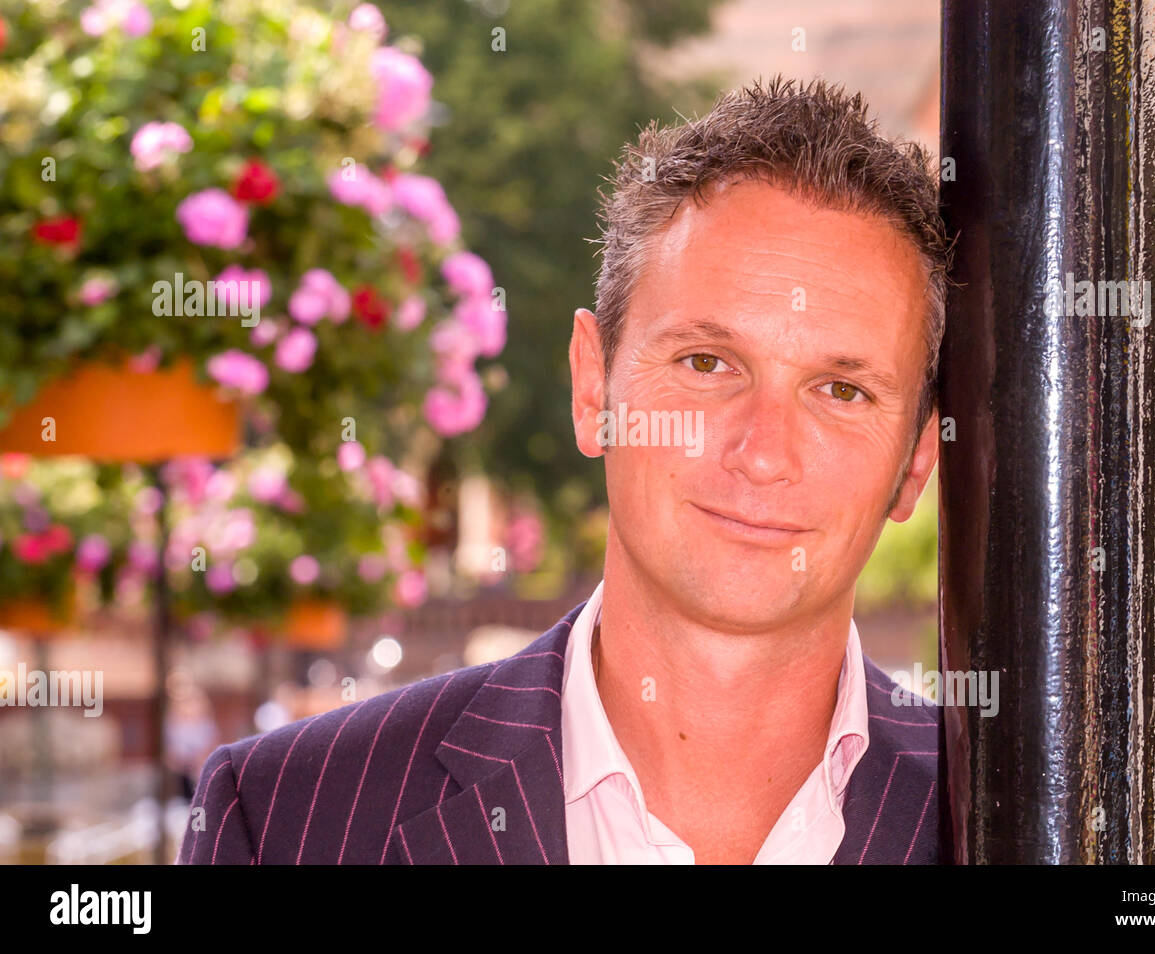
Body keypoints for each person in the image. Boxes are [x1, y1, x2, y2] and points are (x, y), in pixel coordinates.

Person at [179, 74, 952, 866]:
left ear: (916, 459)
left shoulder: (1026, 826)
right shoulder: (285, 820)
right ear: (593, 389)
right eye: (707, 362)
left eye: (841, 389)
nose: (761, 451)